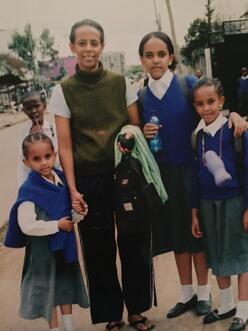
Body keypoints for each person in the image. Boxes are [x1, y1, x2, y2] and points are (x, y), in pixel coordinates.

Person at [49, 19, 155, 331]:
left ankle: (137, 310)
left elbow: (133, 128)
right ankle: (112, 313)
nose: (88, 48)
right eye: (81, 43)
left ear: (102, 46)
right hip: (89, 181)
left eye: (94, 42)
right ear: (71, 48)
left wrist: (131, 140)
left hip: (125, 177)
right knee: (98, 250)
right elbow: (65, 146)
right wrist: (72, 188)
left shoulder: (122, 83)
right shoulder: (62, 91)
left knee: (134, 244)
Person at [138, 31, 247, 319]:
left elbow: (212, 105)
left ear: (171, 57)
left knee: (195, 233)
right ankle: (185, 293)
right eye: (149, 55)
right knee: (177, 235)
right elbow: (137, 135)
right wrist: (143, 133)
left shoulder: (186, 84)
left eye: (161, 54)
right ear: (142, 61)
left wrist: (235, 115)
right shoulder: (141, 94)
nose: (156, 60)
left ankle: (203, 292)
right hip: (164, 174)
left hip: (193, 170)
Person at [4, 132, 89, 331]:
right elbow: (27, 225)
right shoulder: (29, 190)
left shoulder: (62, 180)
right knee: (49, 290)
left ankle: (69, 327)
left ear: (55, 155)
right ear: (26, 162)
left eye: (47, 156)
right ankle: (54, 328)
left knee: (65, 285)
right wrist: (55, 226)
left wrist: (80, 213)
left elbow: (71, 215)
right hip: (42, 251)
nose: (43, 163)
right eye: (36, 159)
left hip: (65, 245)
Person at [191, 77, 248, 331]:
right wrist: (194, 211)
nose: (207, 108)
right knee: (217, 256)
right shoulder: (197, 136)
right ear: (195, 106)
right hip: (207, 205)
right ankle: (227, 305)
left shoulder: (236, 132)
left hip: (234, 203)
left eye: (211, 102)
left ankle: (244, 310)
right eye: (200, 104)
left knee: (241, 256)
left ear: (222, 101)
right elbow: (196, 177)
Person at [17, 91, 59, 186]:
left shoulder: (54, 130)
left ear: (44, 106)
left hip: (54, 180)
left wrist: (43, 138)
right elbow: (22, 166)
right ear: (24, 111)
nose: (33, 111)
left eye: (37, 106)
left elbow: (58, 160)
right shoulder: (24, 133)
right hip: (35, 183)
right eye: (29, 108)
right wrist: (23, 187)